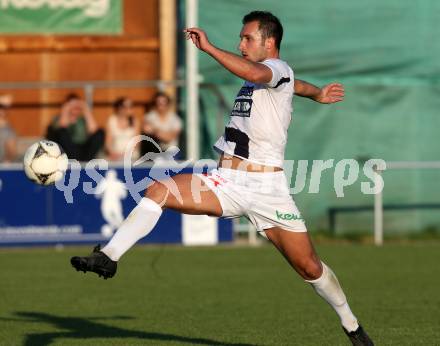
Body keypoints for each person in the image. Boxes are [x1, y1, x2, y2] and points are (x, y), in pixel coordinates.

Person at [71, 11, 373, 345]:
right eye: (240, 38)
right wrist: (316, 93)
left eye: (248, 38)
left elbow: (262, 72)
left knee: (309, 268)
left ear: (269, 42)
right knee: (158, 190)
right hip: (226, 181)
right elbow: (293, 85)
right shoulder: (275, 78)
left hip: (267, 190)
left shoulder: (275, 69)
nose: (240, 43)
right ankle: (109, 257)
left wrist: (210, 49)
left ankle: (351, 324)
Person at [46, 93, 104, 161]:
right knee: (62, 132)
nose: (75, 108)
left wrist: (85, 108)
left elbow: (94, 131)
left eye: (77, 106)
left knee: (100, 132)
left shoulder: (82, 120)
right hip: (67, 152)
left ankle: (85, 162)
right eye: (72, 106)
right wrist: (66, 109)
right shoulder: (58, 119)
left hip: (83, 151)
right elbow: (62, 129)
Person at [105, 97, 139, 161]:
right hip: (115, 155)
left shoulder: (135, 121)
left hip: (131, 155)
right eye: (126, 106)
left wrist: (124, 154)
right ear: (119, 108)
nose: (129, 109)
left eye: (131, 106)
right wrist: (112, 153)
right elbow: (108, 142)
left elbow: (137, 144)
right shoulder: (111, 120)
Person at [0, 94, 17, 163]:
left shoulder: (8, 130)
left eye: (3, 108)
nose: (2, 110)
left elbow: (12, 151)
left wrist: (7, 161)